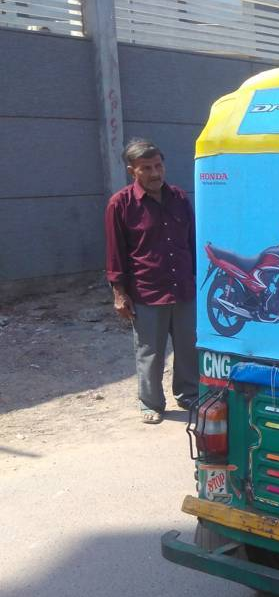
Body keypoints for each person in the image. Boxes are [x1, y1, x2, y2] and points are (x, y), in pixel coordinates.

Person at [105, 138, 199, 424]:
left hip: (183, 287)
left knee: (188, 347)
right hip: (147, 291)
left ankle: (189, 395)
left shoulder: (180, 198)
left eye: (158, 165)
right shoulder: (120, 205)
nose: (156, 173)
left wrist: (199, 279)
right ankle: (151, 402)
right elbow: (115, 254)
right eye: (147, 168)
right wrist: (119, 294)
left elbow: (192, 242)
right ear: (132, 170)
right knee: (150, 351)